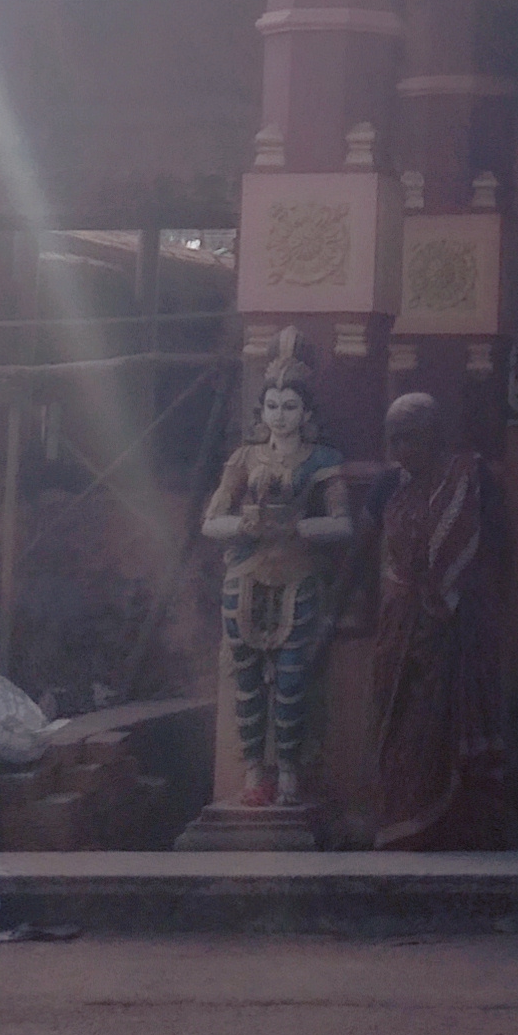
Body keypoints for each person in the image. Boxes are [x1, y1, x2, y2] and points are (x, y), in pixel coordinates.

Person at [200, 333, 353, 811]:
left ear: (306, 413)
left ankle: (288, 773)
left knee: (290, 681)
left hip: (298, 576)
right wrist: (247, 522)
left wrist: (300, 526)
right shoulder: (244, 459)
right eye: (272, 405)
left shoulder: (324, 461)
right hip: (243, 574)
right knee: (246, 680)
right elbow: (210, 522)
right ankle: (252, 773)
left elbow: (343, 524)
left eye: (289, 406)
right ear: (261, 409)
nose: (280, 415)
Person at [366, 389, 510, 850]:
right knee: (400, 718)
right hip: (399, 623)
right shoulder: (389, 485)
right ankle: (403, 824)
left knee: (458, 720)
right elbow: (360, 547)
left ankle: (458, 825)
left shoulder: (472, 478)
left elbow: (499, 548)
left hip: (459, 624)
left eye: (409, 438)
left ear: (436, 436)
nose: (399, 450)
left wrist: (467, 603)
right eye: (393, 440)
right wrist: (338, 611)